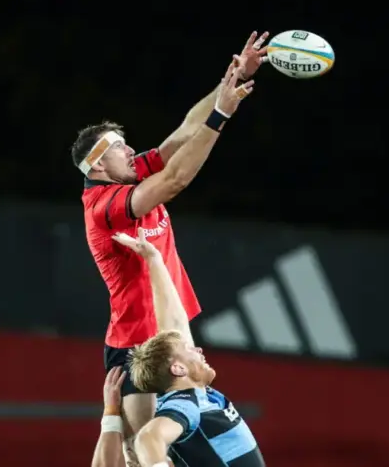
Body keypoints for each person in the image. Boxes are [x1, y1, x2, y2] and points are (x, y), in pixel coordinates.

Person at [71, 32, 269, 467]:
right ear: (99, 165)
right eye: (118, 146)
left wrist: (232, 79)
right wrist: (221, 115)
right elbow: (176, 179)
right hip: (137, 343)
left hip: (170, 324)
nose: (130, 149)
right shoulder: (105, 206)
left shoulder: (128, 173)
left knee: (179, 444)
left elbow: (180, 136)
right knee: (142, 454)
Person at [112, 229, 264, 467]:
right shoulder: (185, 404)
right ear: (179, 369)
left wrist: (154, 259)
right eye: (189, 349)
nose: (198, 350)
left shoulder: (196, 397)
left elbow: (174, 322)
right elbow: (148, 437)